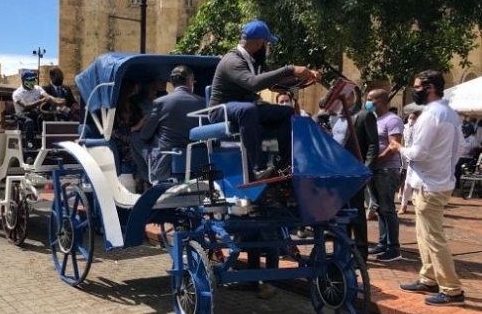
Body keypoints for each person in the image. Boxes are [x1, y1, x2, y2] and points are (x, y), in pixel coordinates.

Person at [389, 70, 465, 306]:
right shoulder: (449, 114)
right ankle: (428, 277)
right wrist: (445, 167)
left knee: (433, 237)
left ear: (430, 87)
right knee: (424, 235)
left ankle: (452, 289)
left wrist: (398, 148)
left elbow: (417, 153)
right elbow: (459, 149)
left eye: (417, 86)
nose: (415, 90)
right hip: (438, 181)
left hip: (429, 184)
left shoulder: (431, 115)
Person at [209, 19, 320, 181]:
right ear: (260, 43)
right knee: (248, 110)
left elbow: (277, 84)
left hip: (246, 110)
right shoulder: (232, 61)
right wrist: (290, 69)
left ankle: (284, 164)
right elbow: (253, 84)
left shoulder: (255, 62)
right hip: (222, 110)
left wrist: (307, 76)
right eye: (267, 44)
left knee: (286, 112)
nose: (268, 48)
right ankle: (258, 167)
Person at [331, 98, 379, 263]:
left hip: (355, 171)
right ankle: (343, 250)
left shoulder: (364, 115)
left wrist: (366, 169)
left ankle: (360, 253)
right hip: (338, 172)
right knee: (341, 212)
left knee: (356, 213)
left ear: (350, 97)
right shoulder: (336, 117)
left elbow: (373, 144)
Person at [140, 65, 205, 182]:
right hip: (198, 160)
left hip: (167, 163)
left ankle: (143, 179)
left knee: (136, 138)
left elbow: (145, 134)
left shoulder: (160, 102)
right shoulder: (203, 102)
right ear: (190, 81)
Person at [365, 89, 404, 262]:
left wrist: (376, 161)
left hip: (387, 170)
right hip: (375, 169)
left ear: (380, 100)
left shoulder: (392, 119)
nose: (367, 102)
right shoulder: (375, 119)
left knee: (388, 209)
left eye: (369, 99)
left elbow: (394, 145)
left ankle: (393, 248)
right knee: (379, 209)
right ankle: (383, 243)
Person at [12, 70, 60, 149]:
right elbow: (26, 106)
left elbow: (47, 96)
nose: (32, 82)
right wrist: (41, 100)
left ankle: (49, 145)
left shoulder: (37, 89)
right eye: (30, 80)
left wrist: (57, 101)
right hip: (22, 116)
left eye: (33, 80)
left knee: (46, 119)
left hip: (34, 114)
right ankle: (29, 149)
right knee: (29, 122)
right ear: (23, 80)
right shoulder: (17, 93)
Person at [399, 111, 421, 214]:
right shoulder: (405, 127)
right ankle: (403, 205)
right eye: (410, 118)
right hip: (410, 156)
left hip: (421, 159)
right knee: (407, 182)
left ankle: (418, 203)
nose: (411, 120)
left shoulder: (420, 129)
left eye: (413, 118)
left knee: (419, 183)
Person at [454, 123, 478, 190]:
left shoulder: (473, 139)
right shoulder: (461, 138)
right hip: (460, 157)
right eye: (463, 130)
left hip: (468, 158)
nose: (464, 131)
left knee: (457, 165)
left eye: (465, 130)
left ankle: (457, 186)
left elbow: (474, 149)